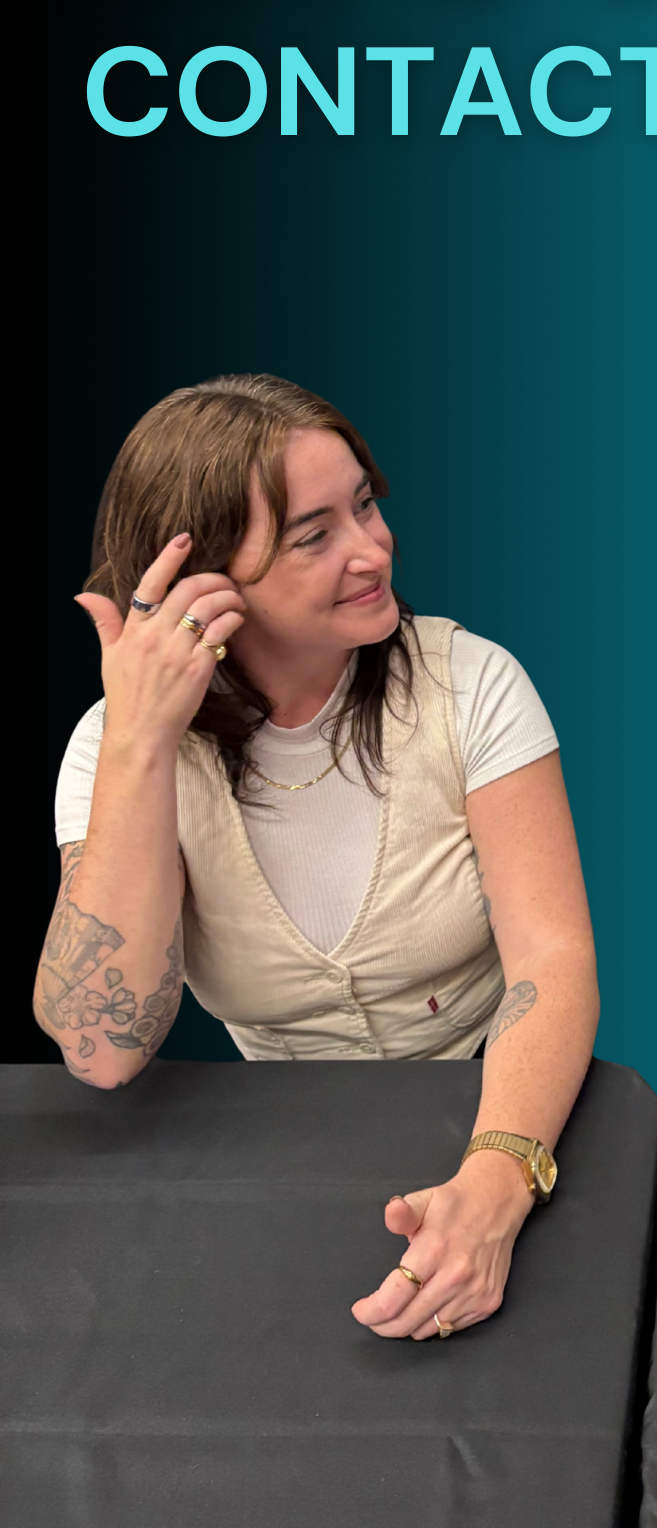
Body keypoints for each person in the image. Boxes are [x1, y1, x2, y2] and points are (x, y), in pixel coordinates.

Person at [38, 373, 599, 1342]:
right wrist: (140, 742)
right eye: (314, 534)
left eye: (366, 505)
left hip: (502, 1102)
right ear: (203, 586)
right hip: (279, 1147)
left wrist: (500, 1174)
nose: (371, 547)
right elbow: (100, 1047)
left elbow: (552, 962)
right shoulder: (113, 747)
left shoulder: (474, 684)